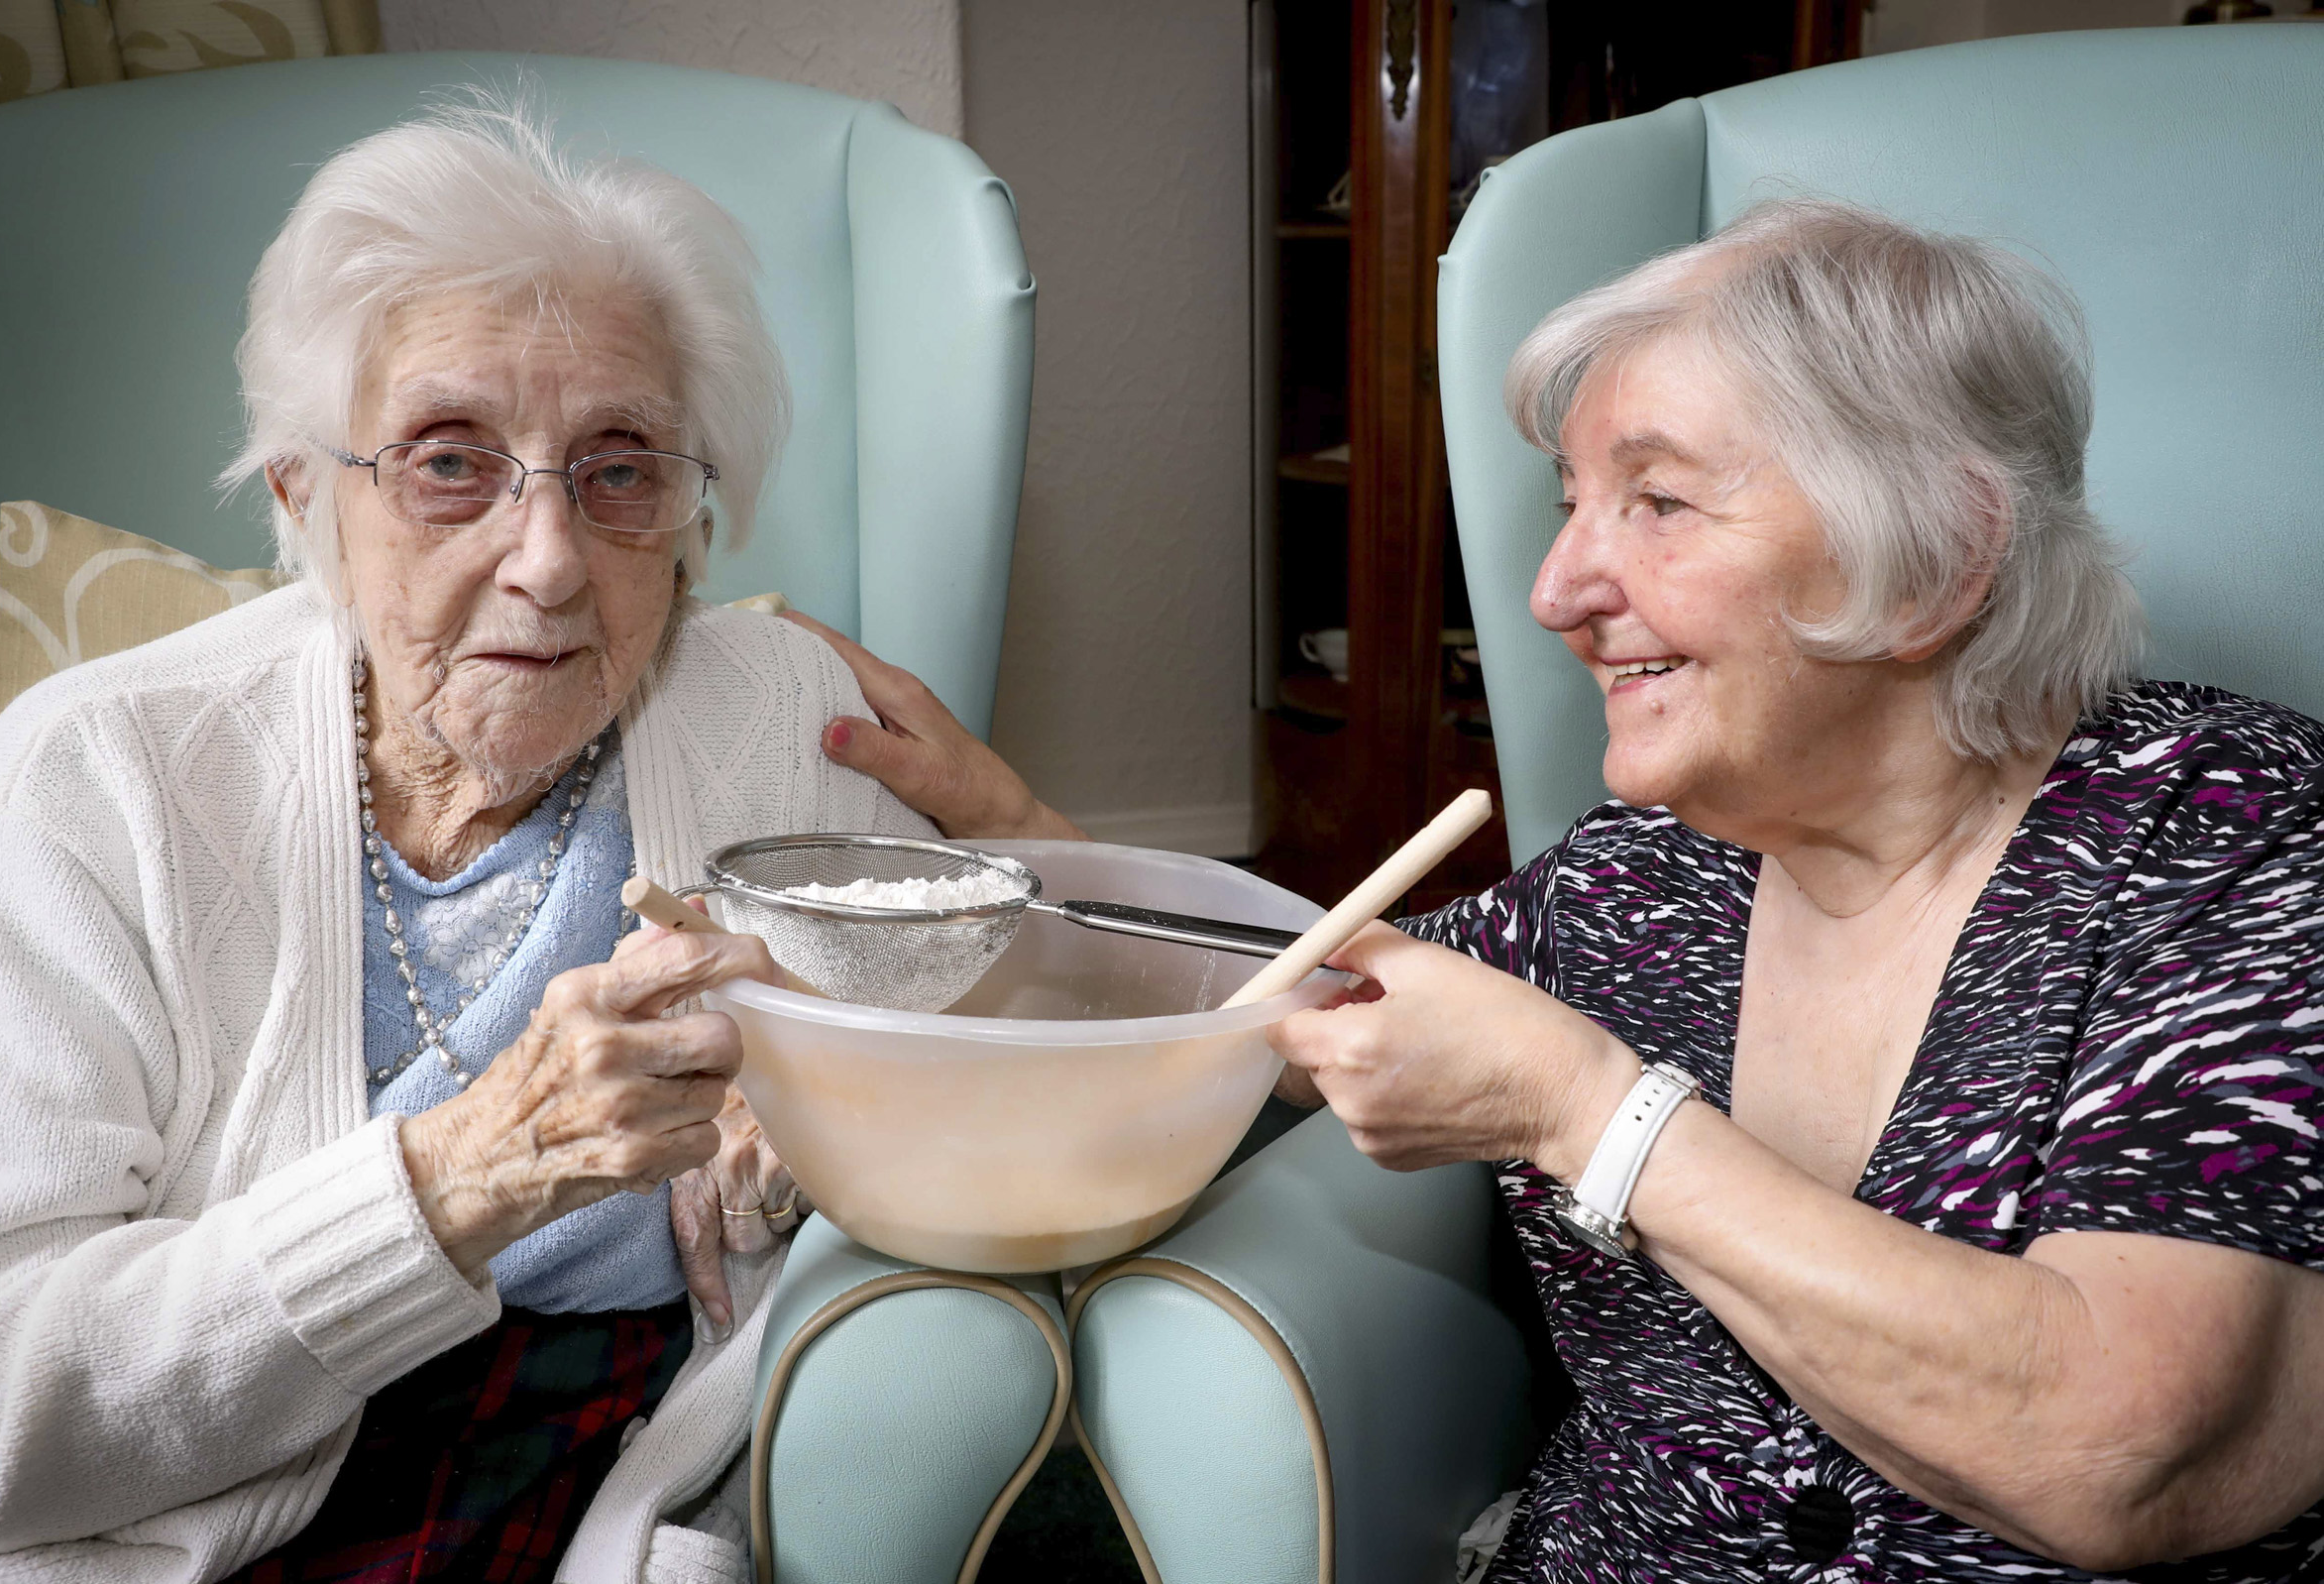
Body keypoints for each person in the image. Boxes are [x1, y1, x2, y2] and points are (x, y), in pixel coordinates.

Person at [800, 201, 2324, 1581]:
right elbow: (1294, 1000)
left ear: (1934, 560)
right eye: (1568, 507)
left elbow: (2121, 1454)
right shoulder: (1638, 881)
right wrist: (1007, 835)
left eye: (1655, 502)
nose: (1553, 596)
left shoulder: (2229, 835)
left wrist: (1591, 1114)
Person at [0, 99, 932, 1582]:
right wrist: (466, 1173)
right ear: (307, 496)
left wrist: (831, 1128)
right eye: (450, 461)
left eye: (620, 467)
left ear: (690, 517)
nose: (550, 561)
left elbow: (1006, 1041)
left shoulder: (771, 716)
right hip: (174, 1526)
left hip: (601, 1487)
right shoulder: (94, 779)